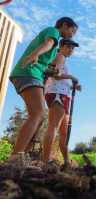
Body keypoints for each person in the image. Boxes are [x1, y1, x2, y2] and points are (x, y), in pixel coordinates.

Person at [4, 17, 78, 168]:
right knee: (37, 115)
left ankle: (21, 157)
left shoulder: (53, 52)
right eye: (72, 31)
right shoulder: (53, 33)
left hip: (33, 73)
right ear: (64, 25)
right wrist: (36, 53)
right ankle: (15, 157)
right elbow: (48, 43)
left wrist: (52, 72)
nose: (72, 35)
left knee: (39, 118)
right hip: (29, 72)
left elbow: (46, 67)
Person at [42, 39, 81, 166]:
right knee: (53, 126)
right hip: (57, 94)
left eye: (73, 48)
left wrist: (72, 87)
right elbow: (53, 74)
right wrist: (71, 77)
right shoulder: (59, 56)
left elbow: (59, 80)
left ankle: (67, 162)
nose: (71, 50)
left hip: (63, 94)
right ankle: (46, 160)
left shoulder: (63, 58)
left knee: (64, 132)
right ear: (61, 46)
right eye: (68, 47)